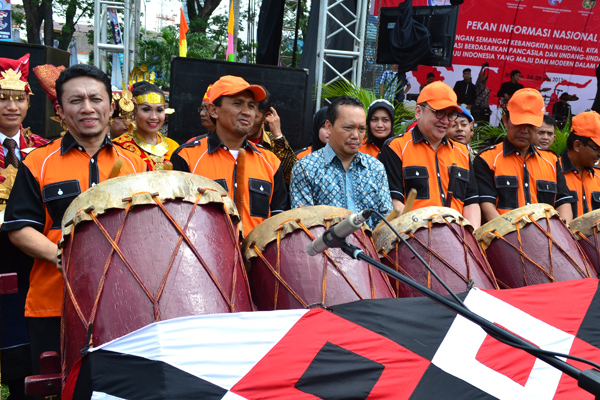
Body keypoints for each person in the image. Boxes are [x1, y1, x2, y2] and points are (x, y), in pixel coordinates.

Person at [1, 64, 147, 374]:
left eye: (96, 99)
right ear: (60, 109)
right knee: (58, 387)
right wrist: (63, 256)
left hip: (126, 303)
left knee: (120, 387)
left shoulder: (136, 165)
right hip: (53, 303)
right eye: (75, 100)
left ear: (111, 105)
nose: (87, 108)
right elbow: (20, 227)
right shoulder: (38, 161)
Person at [171, 75, 289, 236]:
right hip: (205, 258)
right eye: (237, 103)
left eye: (251, 106)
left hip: (256, 258)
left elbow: (279, 222)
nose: (247, 112)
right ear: (213, 110)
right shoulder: (187, 157)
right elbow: (175, 220)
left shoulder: (271, 161)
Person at [0, 54, 49, 399]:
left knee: (21, 343)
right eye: (2, 96)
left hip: (30, 260)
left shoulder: (43, 152)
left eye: (19, 97)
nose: (11, 105)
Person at [378, 81, 481, 228]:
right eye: (439, 113)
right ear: (418, 112)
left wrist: (471, 239)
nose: (445, 121)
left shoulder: (463, 152)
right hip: (412, 239)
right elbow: (394, 202)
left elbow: (471, 202)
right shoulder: (396, 148)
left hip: (457, 240)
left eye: (450, 115)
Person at [290, 96, 392, 229]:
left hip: (369, 249)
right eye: (348, 128)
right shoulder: (306, 168)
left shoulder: (376, 168)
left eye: (361, 129)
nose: (356, 135)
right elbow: (304, 227)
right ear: (329, 127)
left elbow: (385, 222)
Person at [474, 88, 573, 223]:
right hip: (503, 238)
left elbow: (563, 202)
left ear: (538, 126)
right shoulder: (487, 159)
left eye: (531, 125)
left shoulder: (552, 160)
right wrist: (511, 236)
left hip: (548, 239)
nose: (524, 130)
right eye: (519, 123)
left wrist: (560, 232)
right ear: (505, 120)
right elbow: (487, 206)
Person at [113, 81, 179, 170]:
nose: (154, 117)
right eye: (146, 109)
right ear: (134, 111)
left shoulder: (173, 147)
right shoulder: (119, 148)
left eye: (159, 110)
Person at [247, 88, 297, 185]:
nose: (247, 121)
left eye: (254, 117)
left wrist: (278, 135)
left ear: (266, 117)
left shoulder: (274, 142)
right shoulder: (231, 139)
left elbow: (293, 176)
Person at [559, 111, 600, 218]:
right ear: (577, 145)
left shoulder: (598, 175)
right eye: (597, 148)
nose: (599, 154)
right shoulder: (552, 171)